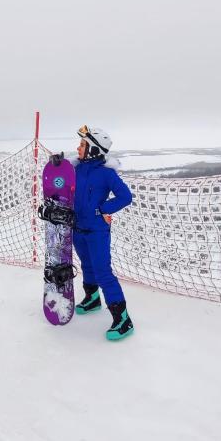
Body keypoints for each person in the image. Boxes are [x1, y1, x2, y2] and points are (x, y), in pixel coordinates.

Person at [72, 125, 134, 340]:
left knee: (102, 271)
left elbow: (125, 196)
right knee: (86, 265)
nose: (78, 148)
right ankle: (92, 299)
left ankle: (123, 318)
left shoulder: (107, 174)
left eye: (82, 145)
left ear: (94, 149)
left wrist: (103, 209)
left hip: (97, 230)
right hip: (77, 227)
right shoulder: (76, 169)